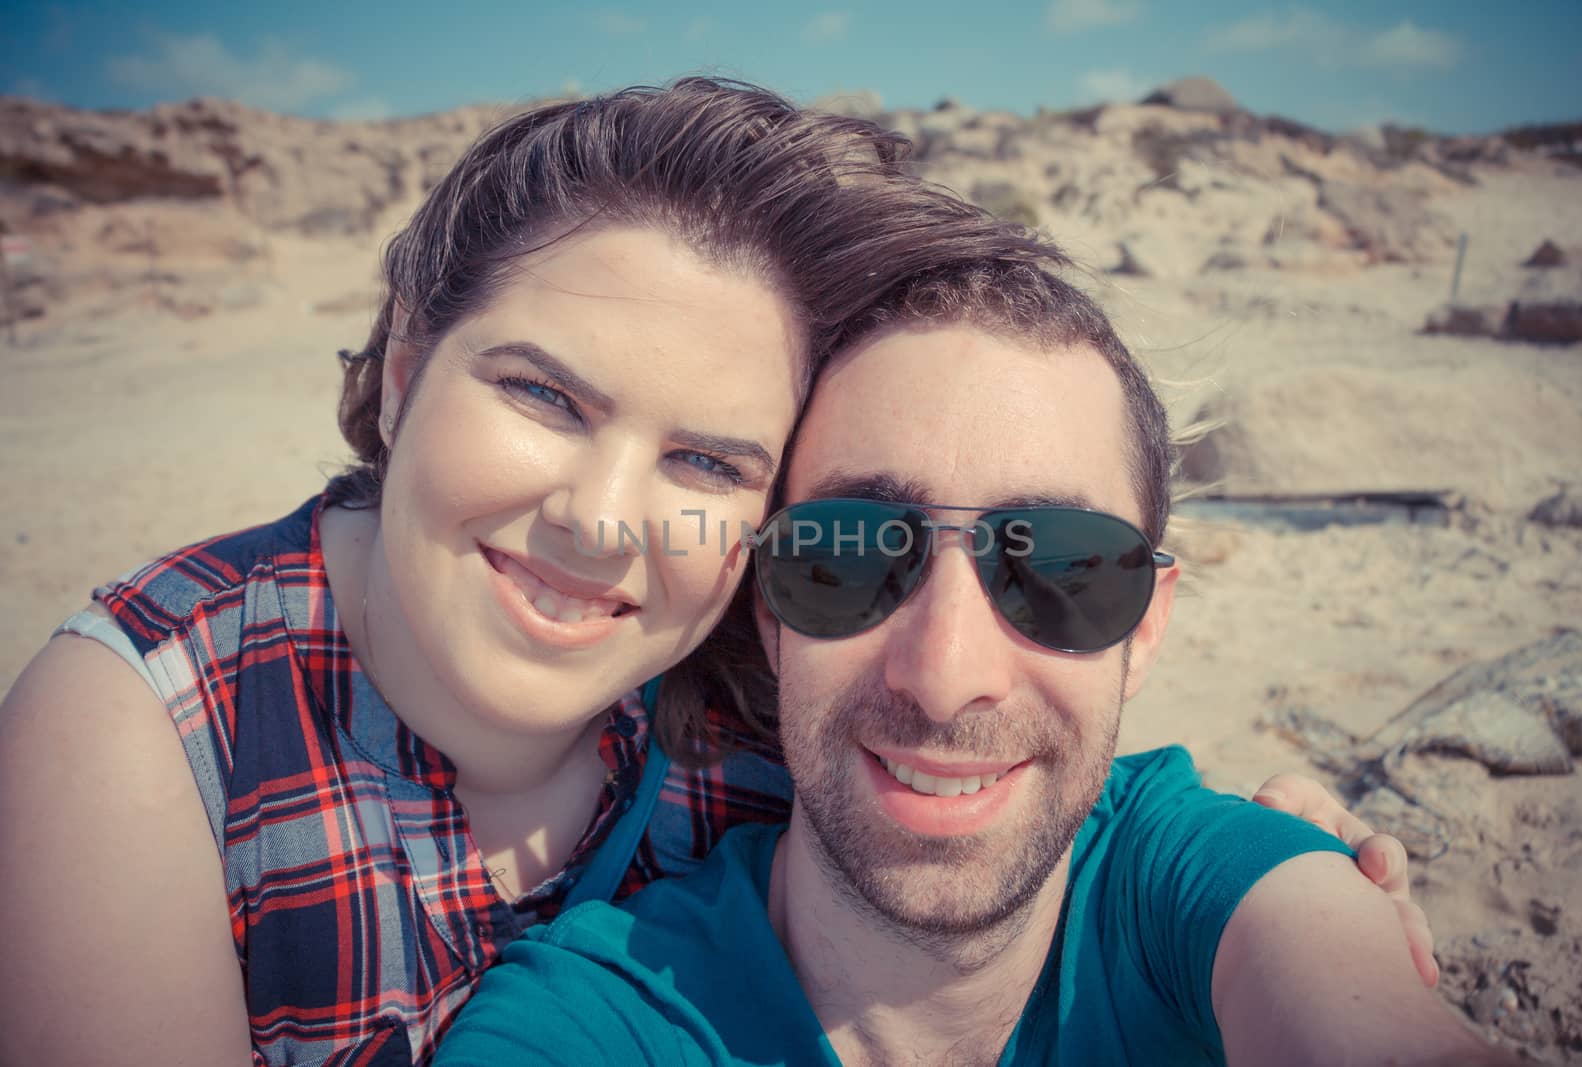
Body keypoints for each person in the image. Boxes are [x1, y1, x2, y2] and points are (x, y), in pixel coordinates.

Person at [0, 80, 1426, 1067]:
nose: (605, 520)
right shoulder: (149, 727)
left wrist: (1286, 860)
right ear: (403, 358)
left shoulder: (739, 674)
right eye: (543, 395)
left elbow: (996, 741)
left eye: (708, 461)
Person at [433, 257, 1504, 1066]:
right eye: (846, 556)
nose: (944, 675)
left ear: (1143, 626)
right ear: (767, 608)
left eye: (1062, 569)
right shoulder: (592, 1017)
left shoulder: (1196, 886)